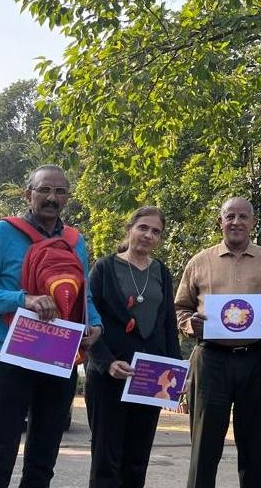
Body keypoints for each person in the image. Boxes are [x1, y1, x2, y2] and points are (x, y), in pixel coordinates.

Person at [0, 164, 103, 488]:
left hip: (58, 358)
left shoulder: (75, 241)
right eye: (44, 190)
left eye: (59, 191)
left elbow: (85, 295)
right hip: (9, 357)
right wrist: (23, 299)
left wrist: (95, 325)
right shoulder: (2, 233)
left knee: (43, 461)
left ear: (67, 198)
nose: (52, 197)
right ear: (29, 194)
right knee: (0, 457)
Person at [175, 197, 261, 488]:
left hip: (256, 359)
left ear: (253, 222)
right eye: (229, 216)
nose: (236, 222)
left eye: (243, 216)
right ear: (220, 222)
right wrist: (188, 323)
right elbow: (180, 307)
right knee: (204, 447)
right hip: (211, 360)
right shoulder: (200, 261)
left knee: (255, 447)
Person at [85, 206, 182, 488]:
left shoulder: (161, 271)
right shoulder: (103, 267)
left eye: (156, 232)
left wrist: (176, 371)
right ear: (129, 229)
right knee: (106, 458)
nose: (148, 235)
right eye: (143, 228)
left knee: (137, 459)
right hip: (109, 376)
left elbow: (168, 324)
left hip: (149, 378)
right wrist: (106, 362)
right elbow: (89, 320)